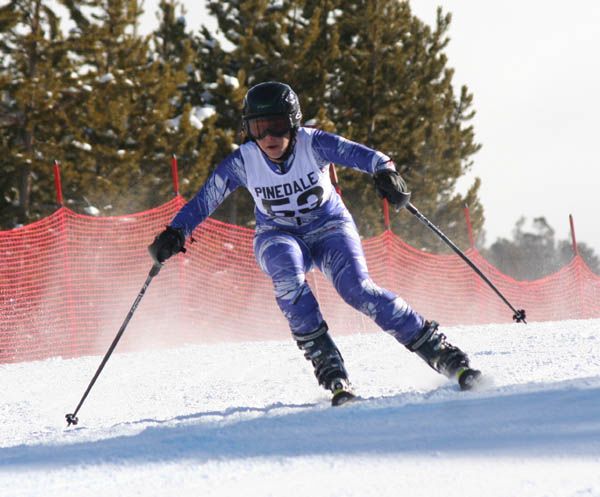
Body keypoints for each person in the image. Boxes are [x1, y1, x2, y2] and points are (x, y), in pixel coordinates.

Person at [148, 81, 481, 406]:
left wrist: (386, 174)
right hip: (278, 235)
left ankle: (440, 352)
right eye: (258, 128)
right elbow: (205, 200)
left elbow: (370, 157)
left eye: (276, 126)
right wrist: (176, 232)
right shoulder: (243, 161)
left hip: (330, 228)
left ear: (292, 123)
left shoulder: (313, 143)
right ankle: (328, 364)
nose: (268, 138)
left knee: (359, 290)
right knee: (288, 277)